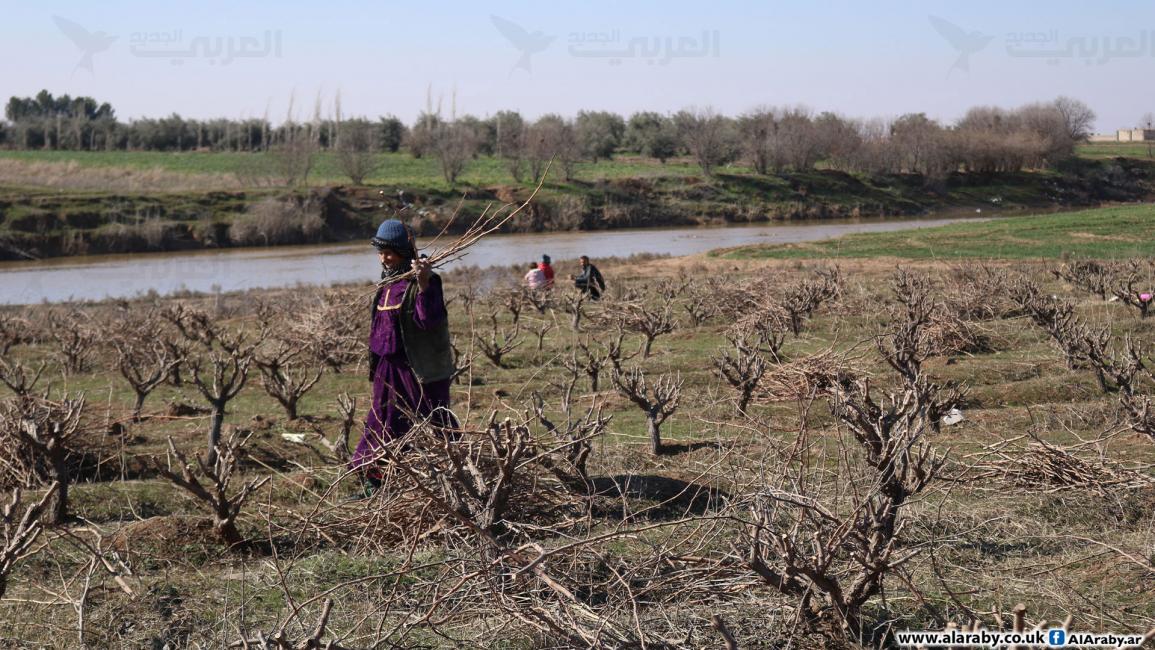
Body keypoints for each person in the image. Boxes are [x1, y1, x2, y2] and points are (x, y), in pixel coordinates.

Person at [351, 219, 457, 496]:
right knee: (383, 423)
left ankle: (448, 476)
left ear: (403, 251)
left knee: (428, 421)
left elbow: (428, 320)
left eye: (389, 252)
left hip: (416, 371)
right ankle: (376, 482)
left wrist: (422, 283)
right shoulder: (387, 283)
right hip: (388, 371)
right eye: (380, 252)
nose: (383, 258)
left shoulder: (425, 281)